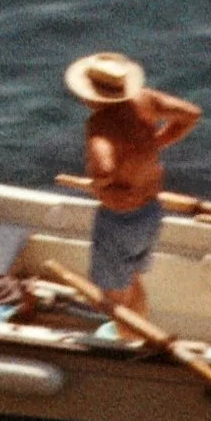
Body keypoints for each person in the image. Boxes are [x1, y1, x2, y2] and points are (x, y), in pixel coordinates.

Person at [64, 51, 201, 314]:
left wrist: (99, 186)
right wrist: (157, 142)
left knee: (114, 297)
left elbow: (104, 168)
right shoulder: (146, 100)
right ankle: (140, 332)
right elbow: (191, 114)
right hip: (150, 212)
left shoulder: (100, 124)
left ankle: (127, 345)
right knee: (131, 277)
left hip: (120, 221)